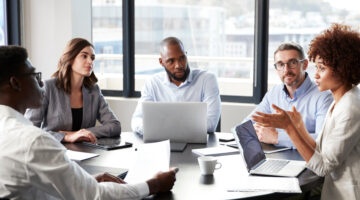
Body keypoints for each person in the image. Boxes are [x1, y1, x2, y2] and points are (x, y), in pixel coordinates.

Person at [0, 45, 177, 199]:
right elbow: (96, 197)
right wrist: (154, 184)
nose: (40, 82)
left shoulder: (8, 130)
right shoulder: (32, 140)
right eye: (34, 75)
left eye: (92, 57)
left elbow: (32, 188)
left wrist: (86, 182)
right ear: (15, 83)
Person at [252, 23, 360, 199]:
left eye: (322, 68)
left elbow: (323, 167)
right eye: (316, 67)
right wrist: (299, 127)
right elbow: (322, 149)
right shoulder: (341, 100)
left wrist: (290, 130)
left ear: (343, 69)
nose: (316, 74)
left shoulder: (350, 108)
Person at [25, 38, 120, 143]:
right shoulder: (48, 87)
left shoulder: (94, 90)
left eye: (92, 58)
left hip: (87, 152)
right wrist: (64, 136)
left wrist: (82, 133)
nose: (90, 61)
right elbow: (29, 130)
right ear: (70, 59)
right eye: (84, 56)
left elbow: (115, 125)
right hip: (54, 151)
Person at [243, 42, 333, 147]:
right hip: (275, 157)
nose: (286, 70)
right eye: (281, 64)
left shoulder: (324, 96)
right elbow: (247, 125)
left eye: (292, 63)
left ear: (304, 65)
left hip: (307, 161)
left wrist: (277, 137)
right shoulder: (274, 93)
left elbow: (321, 141)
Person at [131, 36, 221, 134]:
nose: (178, 65)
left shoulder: (207, 80)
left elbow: (211, 124)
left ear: (186, 55)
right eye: (171, 61)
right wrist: (157, 130)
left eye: (182, 58)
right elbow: (136, 121)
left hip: (197, 144)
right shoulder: (152, 83)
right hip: (162, 142)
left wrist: (161, 128)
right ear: (161, 62)